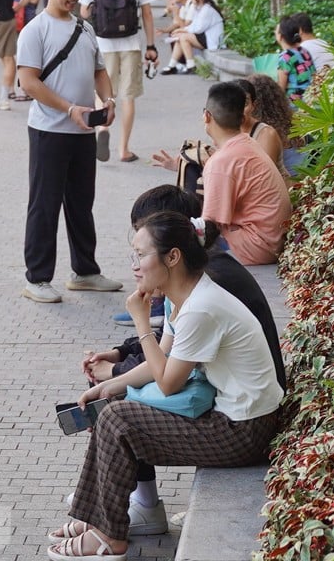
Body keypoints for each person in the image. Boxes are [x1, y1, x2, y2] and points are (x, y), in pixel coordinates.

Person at [47, 212, 283, 560]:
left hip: (244, 431)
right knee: (113, 409)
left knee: (118, 420)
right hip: (234, 417)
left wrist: (142, 321)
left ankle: (109, 538)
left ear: (172, 257)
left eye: (141, 255)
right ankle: (97, 518)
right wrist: (110, 386)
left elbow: (168, 382)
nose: (135, 266)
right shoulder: (183, 297)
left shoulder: (200, 308)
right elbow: (159, 362)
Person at [86, 185, 286, 394]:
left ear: (172, 247)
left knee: (115, 408)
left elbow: (169, 379)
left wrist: (117, 369)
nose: (135, 263)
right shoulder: (189, 276)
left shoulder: (209, 283)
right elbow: (168, 342)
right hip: (222, 384)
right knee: (106, 391)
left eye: (143, 251)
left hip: (241, 402)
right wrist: (120, 354)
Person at [16, 0, 123, 304]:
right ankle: (38, 278)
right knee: (44, 205)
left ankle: (86, 272)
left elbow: (99, 71)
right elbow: (28, 82)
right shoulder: (35, 30)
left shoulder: (85, 28)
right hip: (49, 130)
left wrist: (108, 100)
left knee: (81, 203)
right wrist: (69, 109)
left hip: (82, 133)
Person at [80, 0, 160, 163]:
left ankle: (102, 130)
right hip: (131, 43)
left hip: (103, 43)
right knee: (128, 97)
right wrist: (151, 46)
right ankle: (124, 149)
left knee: (102, 93)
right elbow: (146, 13)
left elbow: (84, 11)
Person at [200, 82, 291, 265]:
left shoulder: (221, 162)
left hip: (257, 246)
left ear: (207, 116)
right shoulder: (248, 143)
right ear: (242, 119)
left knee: (169, 240)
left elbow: (210, 226)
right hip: (272, 239)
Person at [161, 0, 224, 74]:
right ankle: (172, 65)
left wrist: (183, 30)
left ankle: (190, 66)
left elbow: (198, 29)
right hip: (204, 36)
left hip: (212, 39)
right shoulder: (199, 8)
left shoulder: (207, 9)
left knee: (183, 37)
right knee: (180, 36)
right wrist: (182, 30)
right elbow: (194, 25)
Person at [275, 15, 316, 103]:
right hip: (311, 99)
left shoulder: (286, 57)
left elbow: (280, 89)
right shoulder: (304, 51)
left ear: (281, 36)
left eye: (276, 31)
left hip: (295, 104)